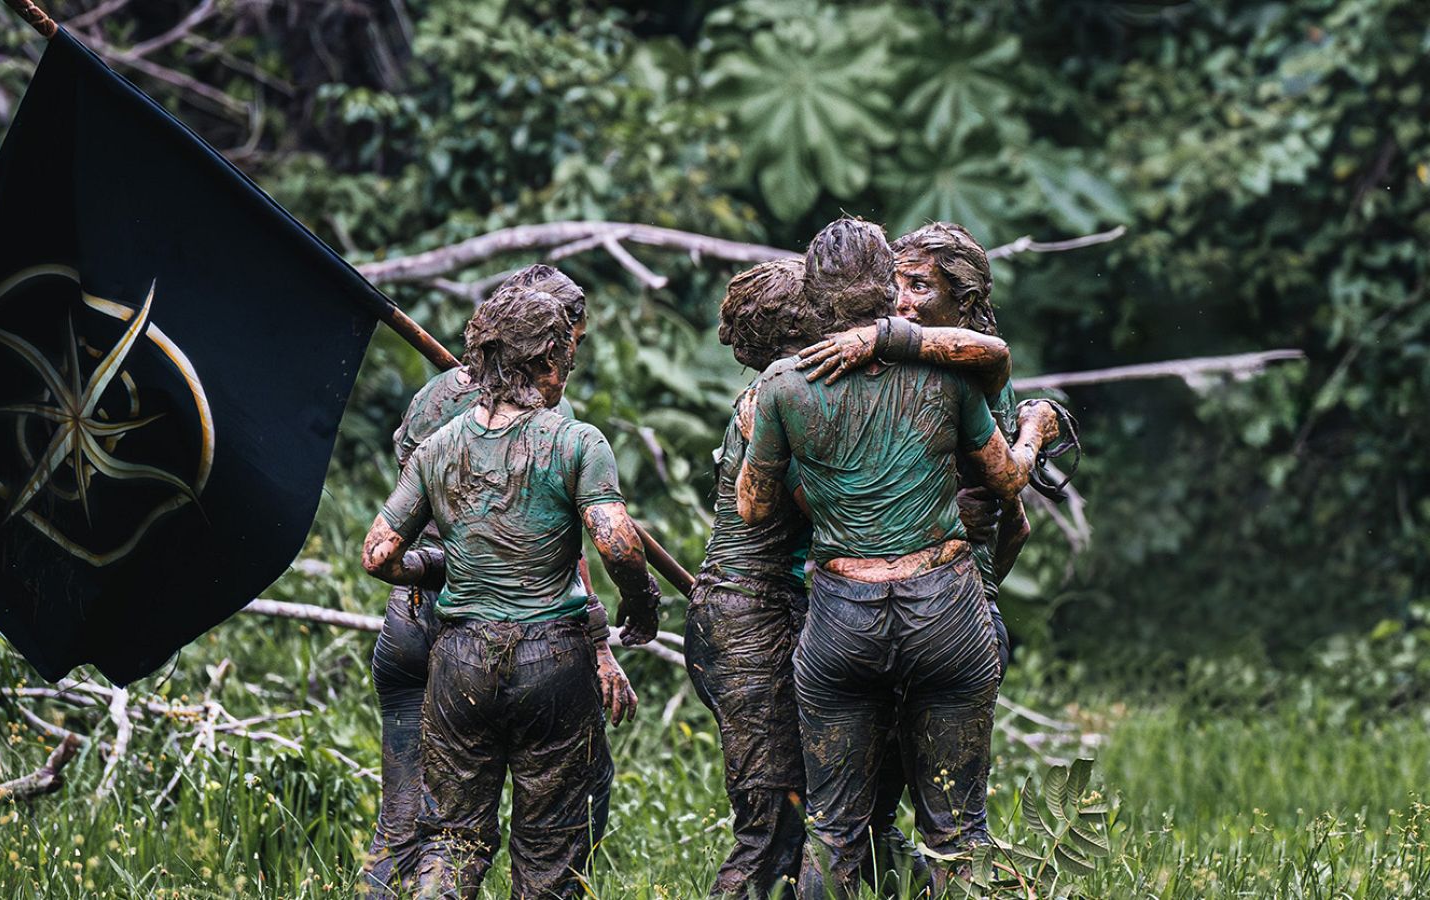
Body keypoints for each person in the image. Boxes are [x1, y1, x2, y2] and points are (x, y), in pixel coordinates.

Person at [735, 217, 1068, 898]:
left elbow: (754, 509)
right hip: (944, 609)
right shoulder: (943, 377)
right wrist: (1036, 433)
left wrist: (761, 435)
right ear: (884, 282)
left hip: (841, 619)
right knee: (958, 829)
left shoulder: (783, 384)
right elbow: (1008, 486)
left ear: (814, 293)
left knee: (832, 830)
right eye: (903, 280)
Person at [361, 289, 661, 899]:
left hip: (457, 662)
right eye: (568, 362)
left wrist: (437, 571)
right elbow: (618, 544)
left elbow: (378, 555)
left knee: (449, 838)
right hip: (550, 660)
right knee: (549, 849)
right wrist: (640, 601)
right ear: (549, 359)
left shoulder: (437, 447)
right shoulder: (578, 441)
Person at [795, 222, 1025, 678]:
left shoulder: (976, 376)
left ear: (966, 301)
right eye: (895, 285)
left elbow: (1013, 515)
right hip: (875, 607)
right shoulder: (885, 366)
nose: (900, 302)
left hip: (946, 610)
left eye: (919, 286)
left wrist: (976, 593)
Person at [686, 258, 822, 899]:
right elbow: (812, 504)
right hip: (749, 617)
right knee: (769, 826)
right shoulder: (779, 393)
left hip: (741, 611)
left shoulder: (774, 390)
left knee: (794, 818)